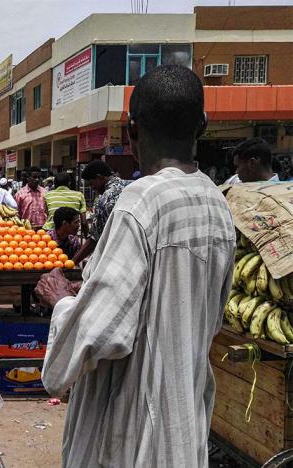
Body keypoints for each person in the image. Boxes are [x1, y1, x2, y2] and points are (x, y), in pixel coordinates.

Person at [34, 65, 235, 468]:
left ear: (132, 131)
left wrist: (61, 303)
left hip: (133, 439)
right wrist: (90, 293)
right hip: (183, 426)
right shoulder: (216, 203)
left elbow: (99, 333)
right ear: (203, 125)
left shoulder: (141, 202)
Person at [72, 160, 128, 265]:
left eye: (92, 184)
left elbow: (94, 238)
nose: (93, 189)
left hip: (118, 257)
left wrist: (73, 262)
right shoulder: (132, 185)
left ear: (99, 177)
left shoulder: (105, 199)